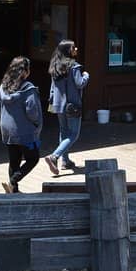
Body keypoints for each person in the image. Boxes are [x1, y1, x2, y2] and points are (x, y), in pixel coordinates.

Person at [0, 55, 43, 193]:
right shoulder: (28, 88)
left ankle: (13, 191)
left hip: (7, 130)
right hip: (25, 132)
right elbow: (32, 111)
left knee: (14, 160)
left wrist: (6, 118)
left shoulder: (4, 86)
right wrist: (35, 124)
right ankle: (13, 182)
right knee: (33, 158)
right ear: (25, 71)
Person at [43, 40, 89, 175]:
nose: (76, 48)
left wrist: (52, 102)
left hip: (58, 105)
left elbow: (52, 88)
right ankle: (54, 156)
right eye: (73, 47)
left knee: (64, 132)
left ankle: (65, 161)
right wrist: (86, 75)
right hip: (72, 106)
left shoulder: (55, 66)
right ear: (68, 51)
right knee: (73, 134)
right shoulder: (74, 67)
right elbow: (80, 83)